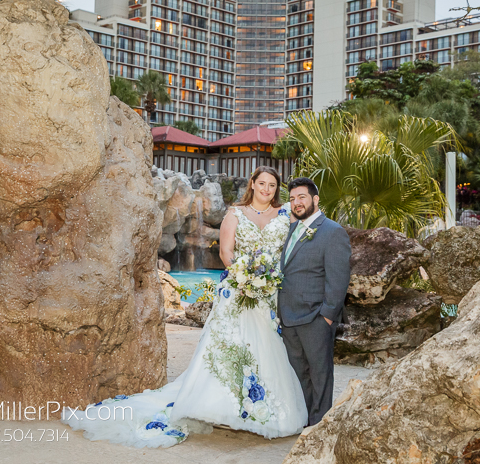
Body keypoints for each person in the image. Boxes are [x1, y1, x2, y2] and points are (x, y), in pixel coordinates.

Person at [63, 166, 307, 447]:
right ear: (252, 184)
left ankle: (262, 408)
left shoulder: (285, 216)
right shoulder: (235, 214)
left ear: (277, 190)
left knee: (266, 349)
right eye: (261, 183)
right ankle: (222, 406)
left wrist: (265, 282)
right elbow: (227, 253)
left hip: (268, 295)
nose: (266, 189)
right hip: (239, 291)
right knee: (231, 348)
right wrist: (246, 279)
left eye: (272, 186)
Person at [279, 177, 352, 426]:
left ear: (315, 199)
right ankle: (305, 419)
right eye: (292, 199)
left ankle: (319, 426)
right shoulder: (291, 229)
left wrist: (327, 316)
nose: (296, 203)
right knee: (299, 372)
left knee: (320, 375)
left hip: (315, 318)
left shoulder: (333, 232)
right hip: (288, 316)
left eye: (302, 197)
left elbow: (338, 279)